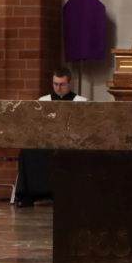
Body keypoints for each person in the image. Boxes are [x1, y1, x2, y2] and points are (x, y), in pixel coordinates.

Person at [15, 68, 87, 207]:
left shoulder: (80, 101)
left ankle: (65, 194)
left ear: (69, 83)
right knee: (26, 152)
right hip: (48, 142)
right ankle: (30, 195)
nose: (58, 88)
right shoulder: (43, 100)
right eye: (55, 84)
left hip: (71, 143)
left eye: (62, 84)